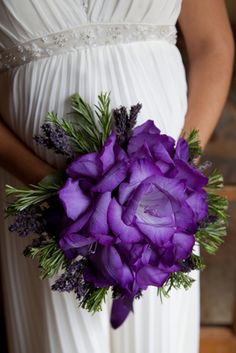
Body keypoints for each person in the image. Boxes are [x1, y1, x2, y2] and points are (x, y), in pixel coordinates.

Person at [0, 1, 234, 353]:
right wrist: (62, 194)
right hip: (41, 209)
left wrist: (172, 177)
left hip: (160, 213)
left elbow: (212, 45)